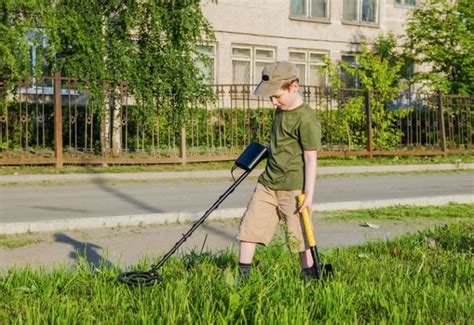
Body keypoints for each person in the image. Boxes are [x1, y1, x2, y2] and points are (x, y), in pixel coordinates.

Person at [236, 60, 322, 282]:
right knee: (249, 229)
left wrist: (309, 196)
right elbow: (281, 142)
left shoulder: (306, 119)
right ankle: (242, 278)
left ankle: (310, 279)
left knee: (300, 239)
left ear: (294, 86)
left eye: (277, 96)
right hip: (267, 184)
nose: (274, 102)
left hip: (293, 190)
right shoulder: (280, 111)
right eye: (271, 97)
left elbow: (310, 157)